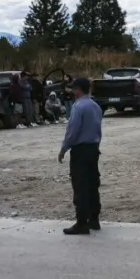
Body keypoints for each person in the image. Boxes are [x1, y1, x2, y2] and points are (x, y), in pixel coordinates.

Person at [57, 77, 103, 235]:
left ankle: (82, 222)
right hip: (93, 148)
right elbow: (98, 130)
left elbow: (72, 131)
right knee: (92, 184)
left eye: (73, 88)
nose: (71, 91)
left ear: (78, 90)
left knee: (80, 186)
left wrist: (63, 149)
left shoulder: (78, 107)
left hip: (80, 150)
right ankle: (94, 219)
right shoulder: (95, 106)